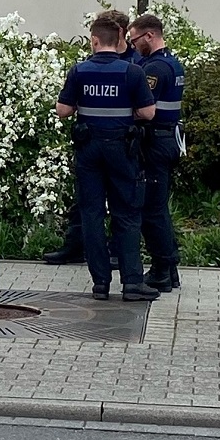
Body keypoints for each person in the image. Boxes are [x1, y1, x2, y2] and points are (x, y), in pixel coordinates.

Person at [55, 16, 159, 301]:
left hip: (89, 150)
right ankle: (132, 284)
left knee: (91, 215)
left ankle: (100, 283)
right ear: (120, 41)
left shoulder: (79, 71)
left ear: (95, 40)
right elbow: (149, 113)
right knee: (126, 214)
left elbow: (63, 110)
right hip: (123, 150)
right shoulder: (132, 72)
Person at [44, 8, 141, 265]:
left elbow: (63, 109)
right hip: (108, 143)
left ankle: (108, 267)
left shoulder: (132, 64)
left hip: (119, 142)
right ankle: (81, 249)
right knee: (92, 207)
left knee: (113, 208)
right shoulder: (111, 66)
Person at [128, 13, 186, 292]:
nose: (134, 45)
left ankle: (162, 268)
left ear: (149, 36)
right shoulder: (172, 64)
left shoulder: (154, 69)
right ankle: (169, 270)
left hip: (154, 142)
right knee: (158, 206)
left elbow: (143, 109)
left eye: (135, 39)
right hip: (168, 140)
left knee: (152, 209)